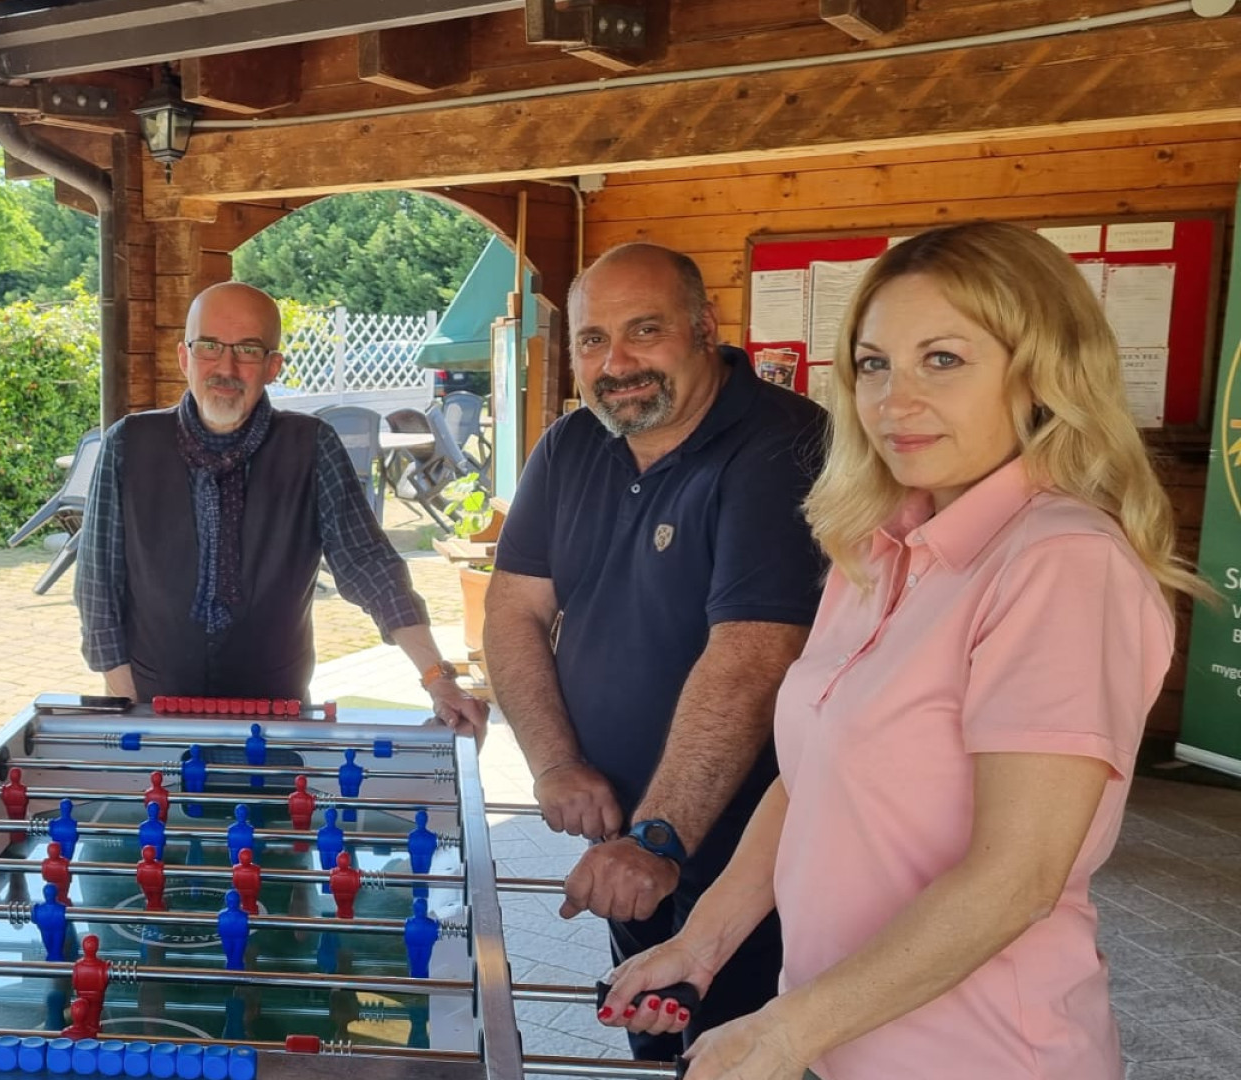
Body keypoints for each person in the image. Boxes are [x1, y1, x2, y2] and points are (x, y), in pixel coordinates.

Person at [599, 221, 1193, 1080]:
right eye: (874, 364)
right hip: (845, 1036)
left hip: (981, 1053)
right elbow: (809, 781)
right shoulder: (880, 547)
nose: (894, 400)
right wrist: (702, 943)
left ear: (1040, 371)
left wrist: (783, 1033)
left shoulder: (1062, 560)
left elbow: (1015, 876)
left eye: (943, 359)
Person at [483, 243, 828, 1059]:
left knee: (737, 1053)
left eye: (645, 330)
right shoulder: (570, 445)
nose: (617, 362)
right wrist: (555, 763)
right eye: (593, 339)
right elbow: (514, 611)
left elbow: (752, 657)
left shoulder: (783, 445)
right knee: (657, 1041)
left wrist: (660, 836)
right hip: (628, 844)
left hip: (752, 847)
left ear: (705, 327)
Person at [74, 281, 487, 736]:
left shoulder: (312, 445)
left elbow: (370, 566)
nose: (225, 367)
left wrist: (437, 679)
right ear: (183, 357)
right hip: (154, 708)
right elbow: (98, 583)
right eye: (208, 346)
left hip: (280, 717)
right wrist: (127, 700)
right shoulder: (129, 443)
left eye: (248, 350)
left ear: (273, 366)